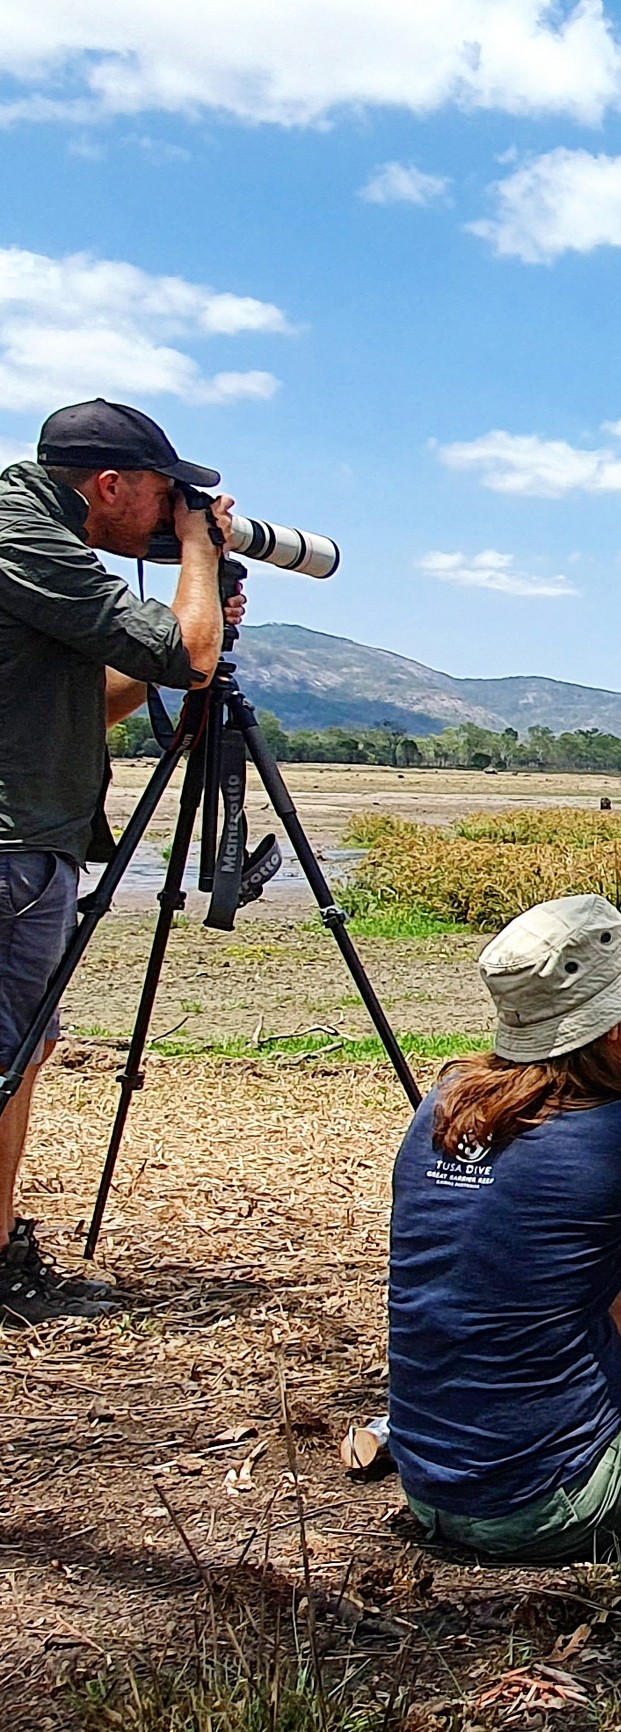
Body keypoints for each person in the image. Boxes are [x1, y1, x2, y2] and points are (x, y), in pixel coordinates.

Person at [387, 895, 621, 1564]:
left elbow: (578, 1188)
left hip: (431, 1486)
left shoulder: (448, 1099)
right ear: (611, 1025)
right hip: (549, 1505)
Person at [0, 400, 235, 1323]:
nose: (173, 514)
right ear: (109, 484)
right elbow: (186, 650)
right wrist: (201, 565)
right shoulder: (26, 540)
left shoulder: (37, 544)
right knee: (8, 1060)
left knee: (22, 1050)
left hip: (34, 837)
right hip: (13, 846)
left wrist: (203, 616)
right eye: (166, 497)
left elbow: (92, 704)